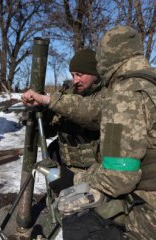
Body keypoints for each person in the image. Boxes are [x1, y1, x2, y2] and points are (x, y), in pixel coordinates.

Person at [22, 25, 156, 239]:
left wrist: (74, 179)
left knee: (78, 228)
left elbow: (118, 177)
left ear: (104, 60)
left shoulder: (124, 95)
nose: (76, 79)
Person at [43, 49, 101, 192]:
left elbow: (92, 116)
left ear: (95, 73)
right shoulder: (65, 96)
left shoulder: (106, 96)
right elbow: (50, 131)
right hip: (66, 171)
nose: (75, 80)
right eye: (73, 75)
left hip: (95, 176)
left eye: (80, 75)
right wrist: (45, 115)